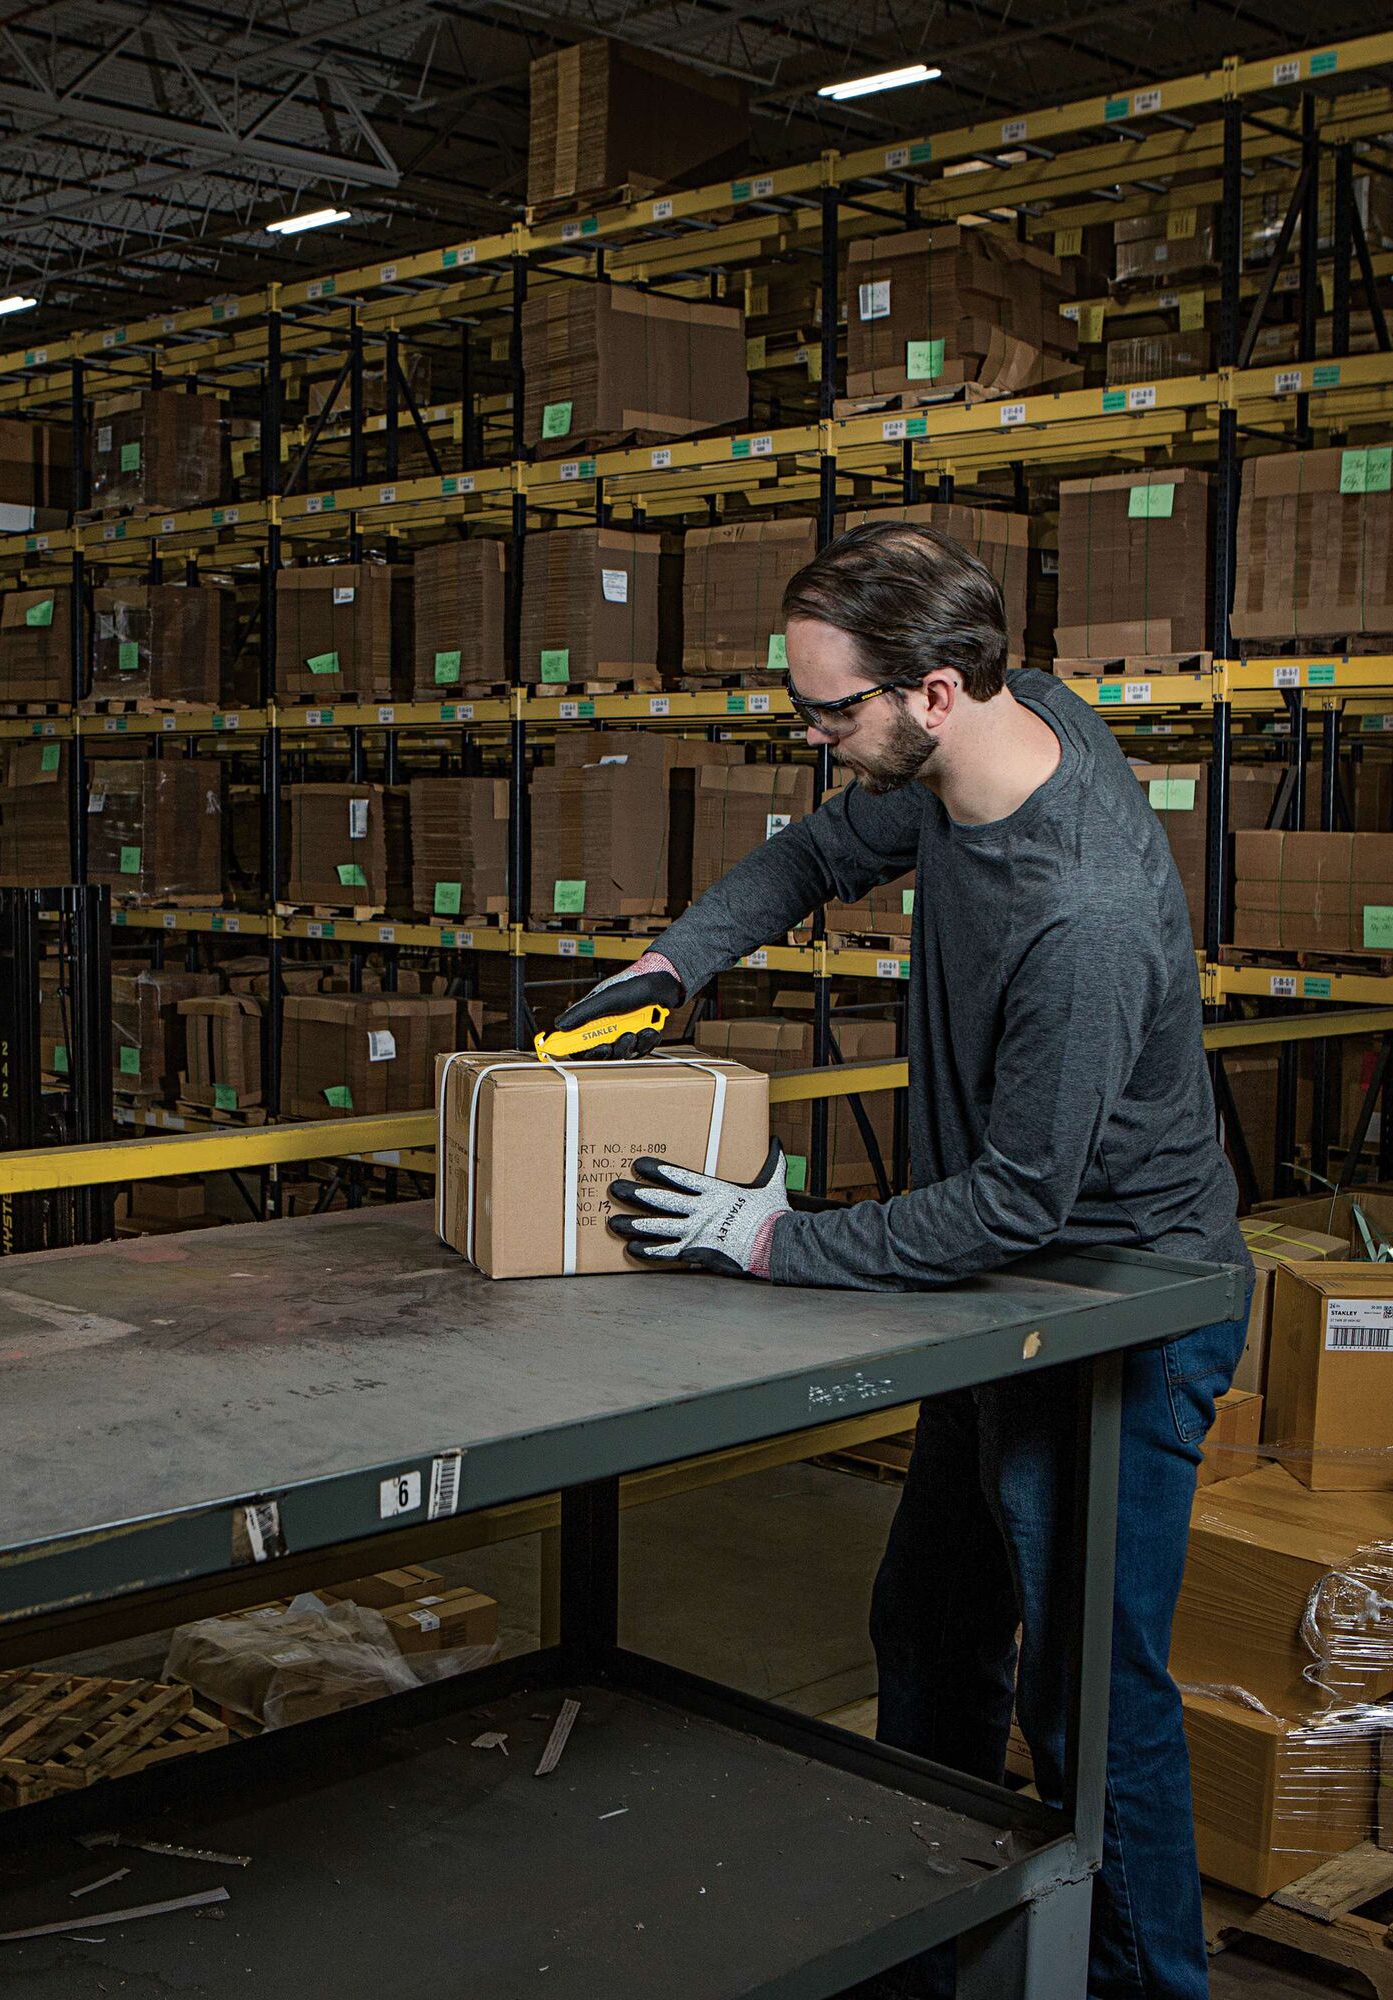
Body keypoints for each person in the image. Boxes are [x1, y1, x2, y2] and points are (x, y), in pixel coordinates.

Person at [551, 521, 1250, 2000]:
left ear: (934, 692)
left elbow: (1011, 1201)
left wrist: (766, 1236)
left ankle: (1149, 1988)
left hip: (1119, 1301)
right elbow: (807, 855)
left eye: (830, 712)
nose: (811, 741)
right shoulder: (998, 731)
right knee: (932, 1630)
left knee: (1088, 1703)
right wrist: (676, 960)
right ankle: (931, 1948)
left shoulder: (1084, 919)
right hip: (995, 1286)